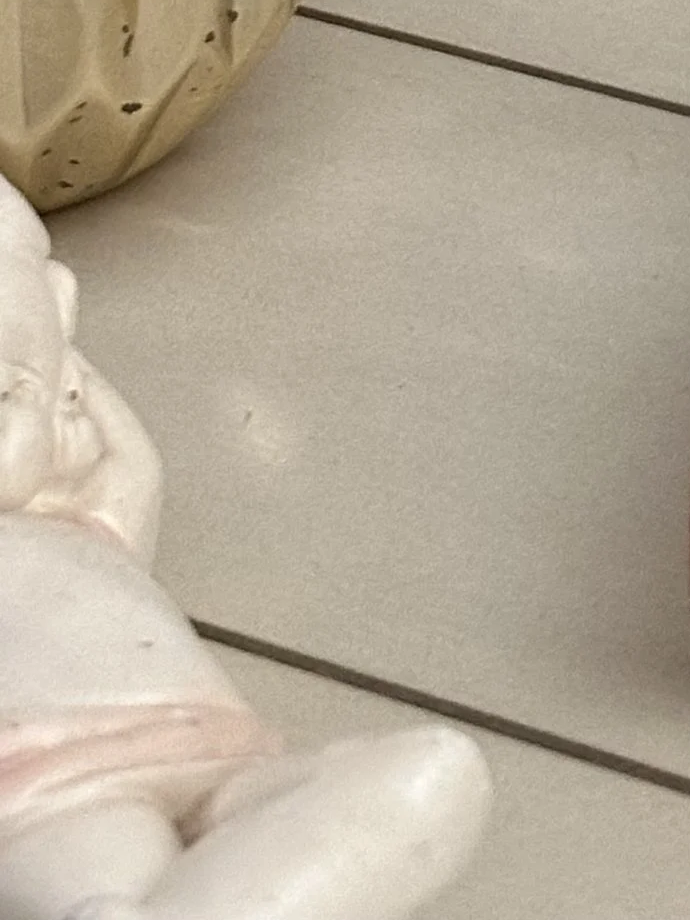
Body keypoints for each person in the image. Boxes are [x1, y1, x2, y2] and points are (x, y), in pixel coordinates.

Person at [0, 185, 487, 919]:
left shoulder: (87, 523)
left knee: (439, 771)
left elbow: (126, 461)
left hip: (226, 764)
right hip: (53, 789)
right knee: (107, 883)